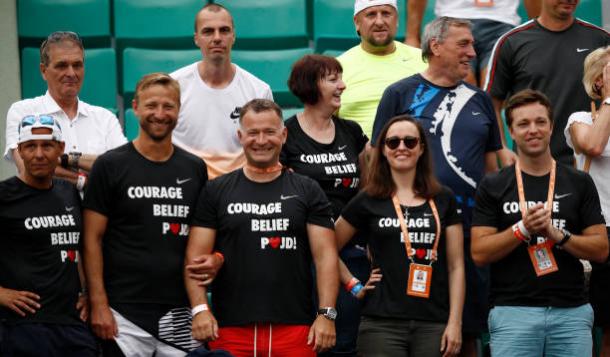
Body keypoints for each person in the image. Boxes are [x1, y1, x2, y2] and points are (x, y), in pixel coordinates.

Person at [372, 17, 506, 356]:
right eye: (463, 44)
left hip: (470, 233)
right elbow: (376, 162)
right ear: (435, 46)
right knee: (417, 331)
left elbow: (492, 173)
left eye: (473, 45)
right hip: (414, 233)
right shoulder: (400, 93)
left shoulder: (480, 100)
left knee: (469, 331)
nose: (472, 52)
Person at [184, 99, 339, 357]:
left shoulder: (307, 189)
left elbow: (325, 257)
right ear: (240, 136)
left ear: (283, 134)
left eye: (269, 132)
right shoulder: (216, 190)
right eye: (253, 133)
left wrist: (327, 314)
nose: (261, 140)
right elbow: (195, 259)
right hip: (230, 328)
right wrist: (200, 310)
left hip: (296, 328)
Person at [471, 89, 608, 357]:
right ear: (510, 130)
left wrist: (559, 235)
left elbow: (601, 249)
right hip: (512, 311)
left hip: (571, 312)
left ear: (551, 126)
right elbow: (479, 253)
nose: (532, 130)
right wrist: (522, 229)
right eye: (523, 124)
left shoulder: (578, 181)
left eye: (540, 122)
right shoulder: (494, 184)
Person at [83, 73, 208, 356]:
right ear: (135, 107)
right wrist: (98, 302)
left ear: (179, 110)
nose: (160, 114)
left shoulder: (194, 168)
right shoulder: (110, 165)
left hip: (178, 309)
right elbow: (92, 239)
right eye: (152, 105)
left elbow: (202, 237)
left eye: (168, 106)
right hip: (123, 313)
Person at [335, 114, 464, 356]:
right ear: (383, 150)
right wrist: (353, 285)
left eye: (410, 141)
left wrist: (455, 323)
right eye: (393, 142)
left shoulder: (443, 198)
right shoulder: (368, 198)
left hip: (434, 322)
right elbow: (325, 249)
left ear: (422, 148)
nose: (401, 147)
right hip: (381, 325)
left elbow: (456, 266)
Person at [282, 54, 368, 356]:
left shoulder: (352, 132)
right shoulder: (285, 136)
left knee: (346, 344)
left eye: (340, 78)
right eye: (332, 79)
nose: (342, 85)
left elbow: (368, 192)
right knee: (311, 343)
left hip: (353, 251)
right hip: (305, 256)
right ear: (310, 85)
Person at [0, 115, 96, 356]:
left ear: (60, 148)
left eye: (47, 145)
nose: (39, 154)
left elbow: (77, 247)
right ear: (20, 151)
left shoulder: (69, 192)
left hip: (72, 323)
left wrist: (87, 293)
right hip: (22, 326)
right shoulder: (4, 195)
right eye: (31, 146)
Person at [484, 0, 610, 165]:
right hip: (532, 167)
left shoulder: (600, 39)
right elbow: (490, 104)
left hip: (590, 166)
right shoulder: (511, 42)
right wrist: (502, 149)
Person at [4, 31, 126, 190]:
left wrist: (65, 160)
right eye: (62, 65)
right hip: (47, 212)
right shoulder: (23, 112)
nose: (71, 73)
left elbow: (122, 170)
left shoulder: (105, 118)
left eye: (77, 65)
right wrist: (86, 181)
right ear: (43, 70)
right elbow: (30, 170)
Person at [171, 3, 273, 179]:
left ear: (233, 36)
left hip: (240, 189)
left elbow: (269, 149)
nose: (217, 38)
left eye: (224, 30)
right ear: (196, 38)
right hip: (186, 186)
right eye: (208, 31)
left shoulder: (258, 90)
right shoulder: (173, 86)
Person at [564, 46, 610, 356]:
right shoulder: (581, 118)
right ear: (598, 81)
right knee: (606, 329)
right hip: (603, 228)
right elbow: (593, 146)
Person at [337, 0, 427, 138]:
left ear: (396, 20)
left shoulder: (423, 60)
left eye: (386, 13)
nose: (379, 22)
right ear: (357, 22)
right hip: (357, 155)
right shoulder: (337, 67)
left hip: (415, 151)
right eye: (371, 14)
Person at [405, 0, 540, 87]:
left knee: (493, 86)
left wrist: (538, 33)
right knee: (461, 86)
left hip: (502, 21)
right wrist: (411, 35)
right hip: (452, 20)